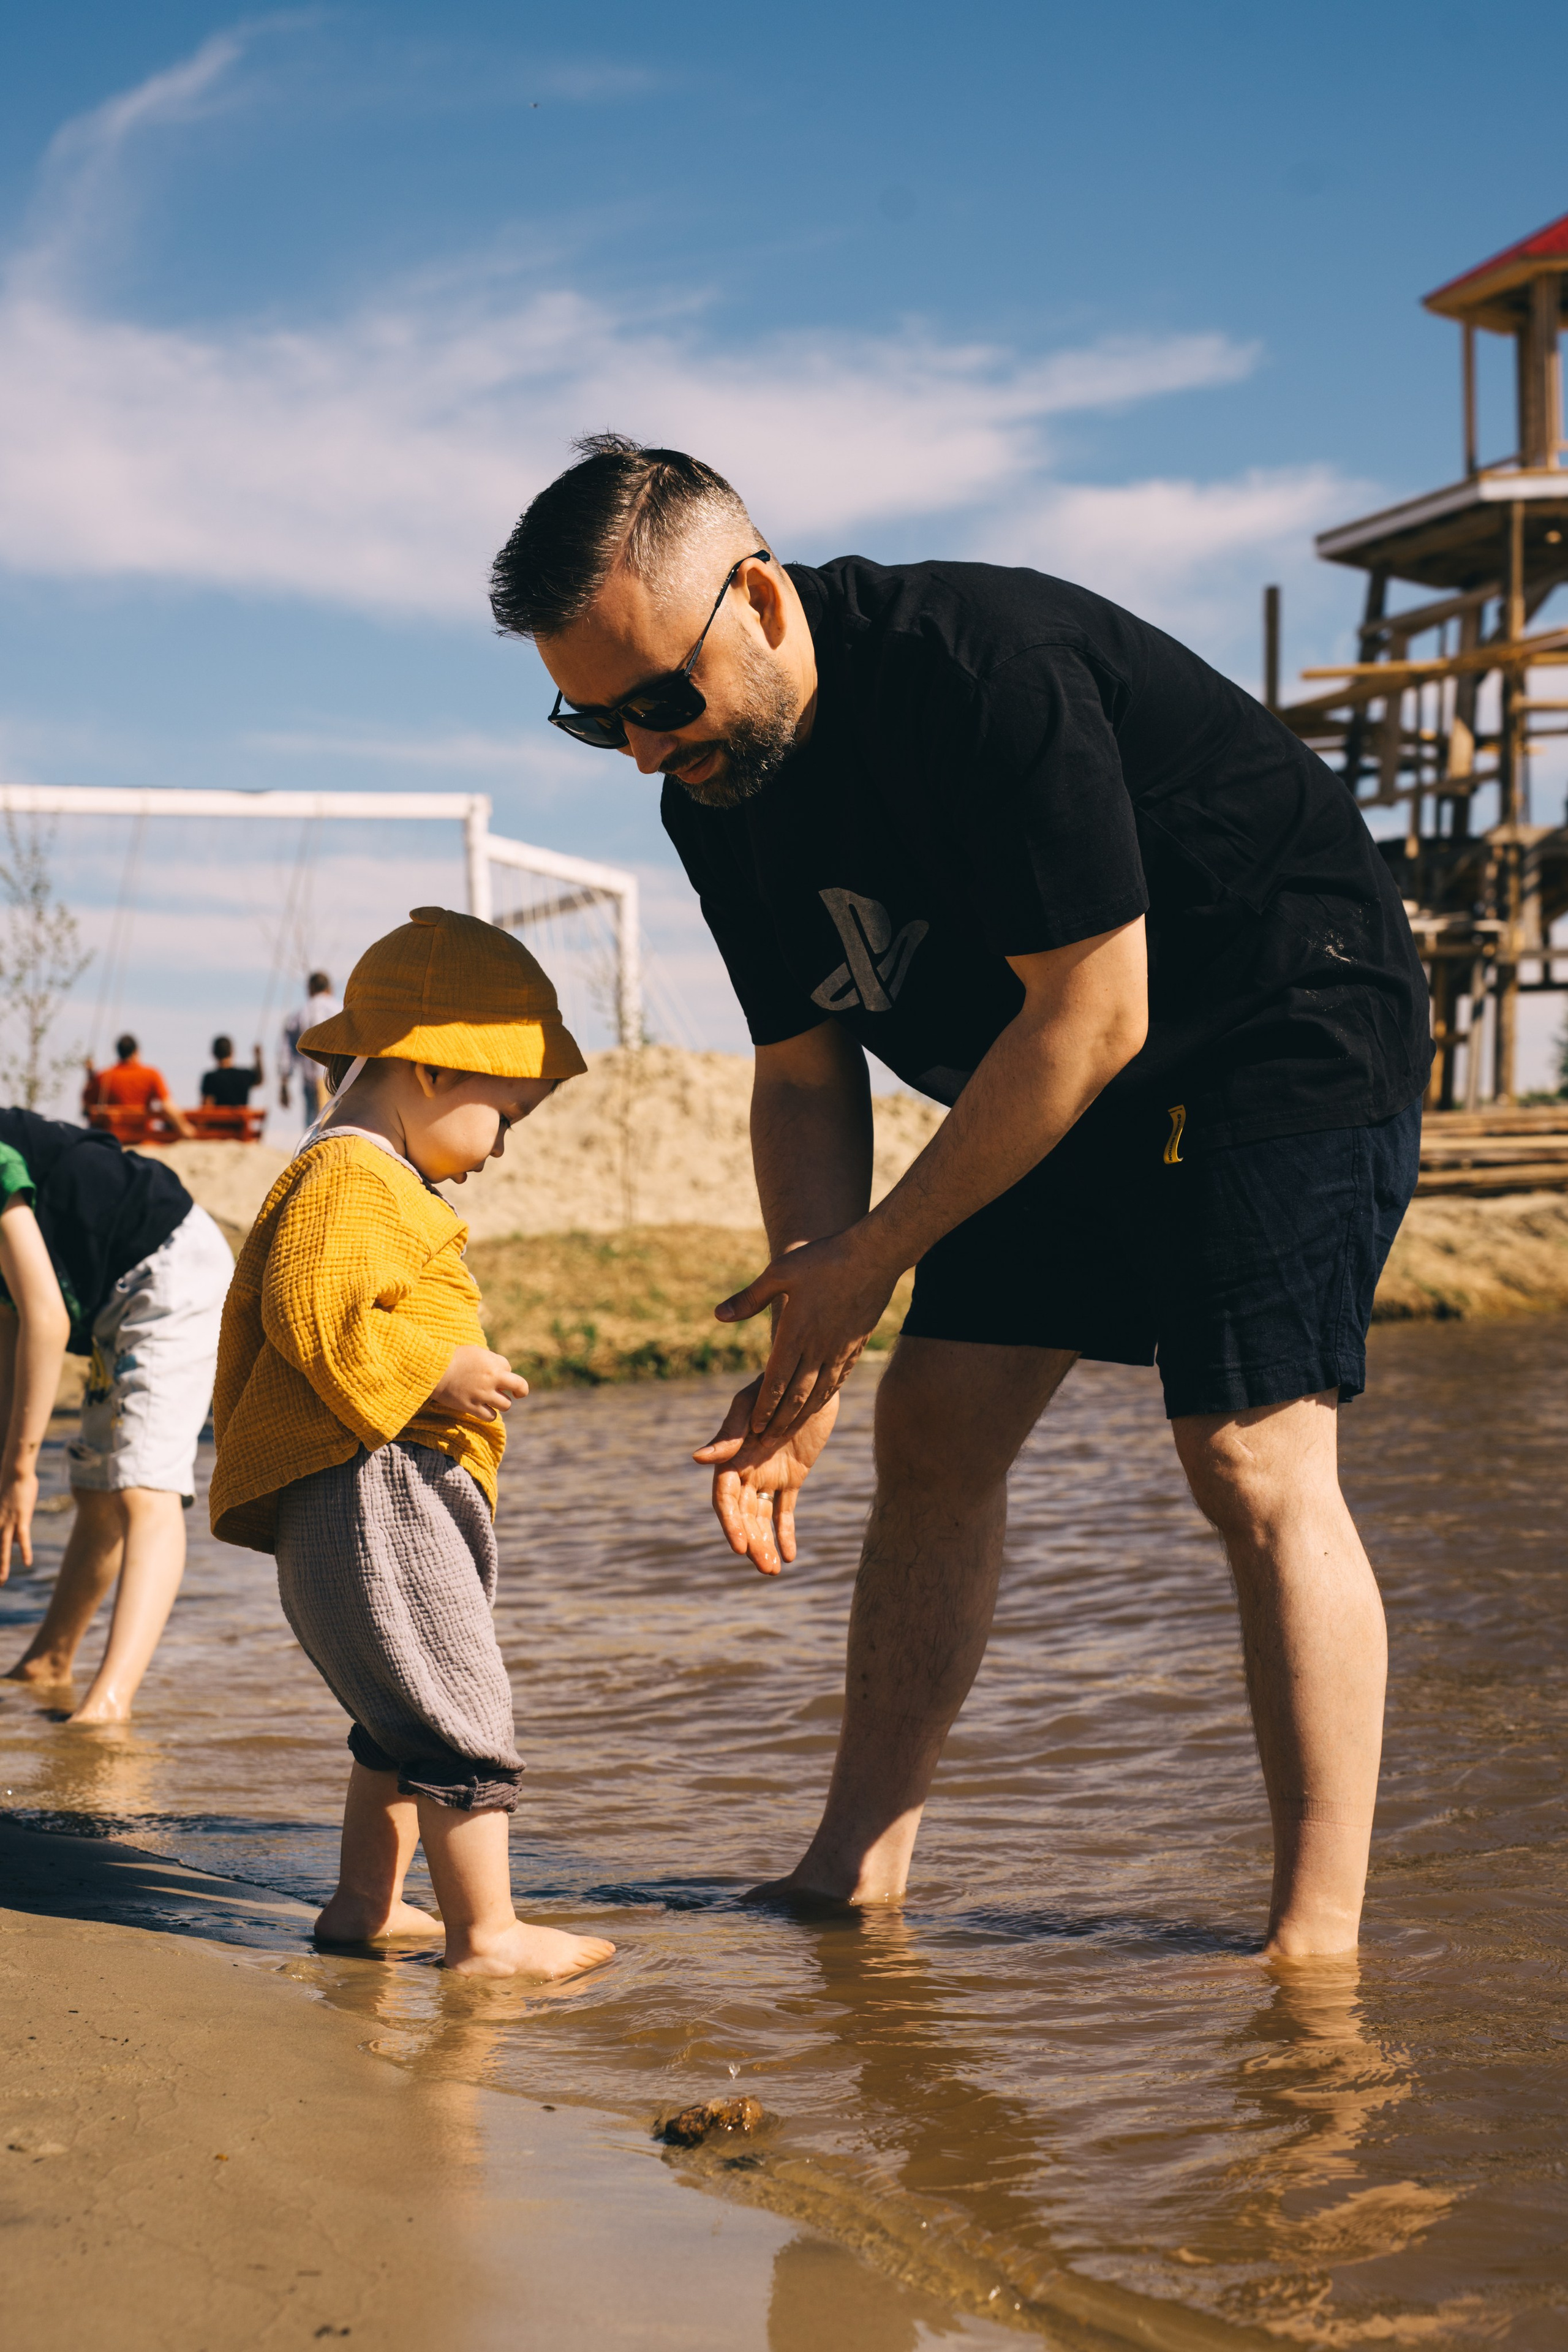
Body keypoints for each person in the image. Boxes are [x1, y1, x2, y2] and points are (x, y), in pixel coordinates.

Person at [489, 436, 1434, 1959]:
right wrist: (813, 1313)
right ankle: (849, 1869)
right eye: (593, 724)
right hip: (1050, 1054)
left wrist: (876, 1252)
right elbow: (804, 1075)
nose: (648, 753)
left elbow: (1095, 1012)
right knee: (929, 1425)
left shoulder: (976, 670)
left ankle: (1308, 1953)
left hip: (1275, 1010)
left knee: (1248, 1450)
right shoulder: (714, 801)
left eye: (661, 699)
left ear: (761, 601)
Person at [209, 907, 614, 1981]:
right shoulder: (355, 1176)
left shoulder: (375, 1175)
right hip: (374, 1484)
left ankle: (366, 1907)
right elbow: (316, 1309)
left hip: (371, 1489)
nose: (504, 1146)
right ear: (434, 1072)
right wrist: (437, 1371)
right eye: (508, 1115)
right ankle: (489, 1938)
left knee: (397, 1720)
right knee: (457, 1708)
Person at [0, 1109, 234, 1721]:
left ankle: (109, 1706)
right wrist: (6, 1457)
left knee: (143, 1488)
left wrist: (22, 1469)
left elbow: (45, 1317)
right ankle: (49, 1660)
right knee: (97, 1485)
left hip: (170, 1268)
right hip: (115, 1294)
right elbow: (11, 1319)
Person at [83, 1034, 195, 1140]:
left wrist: (90, 1075)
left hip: (112, 1137)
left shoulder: (104, 1077)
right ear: (136, 1052)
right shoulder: (151, 1074)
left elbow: (86, 1106)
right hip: (143, 1137)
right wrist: (184, 1128)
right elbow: (167, 1106)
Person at [280, 973, 341, 1125]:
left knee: (313, 1124)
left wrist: (284, 1082)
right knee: (341, 1122)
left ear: (310, 989)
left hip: (311, 1078)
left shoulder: (299, 1014)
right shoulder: (341, 1008)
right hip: (341, 1077)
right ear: (330, 988)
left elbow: (287, 1051)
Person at [200, 1036, 264, 1109]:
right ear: (232, 1052)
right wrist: (258, 1057)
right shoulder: (245, 1075)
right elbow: (259, 1080)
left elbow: (206, 1106)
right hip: (240, 1120)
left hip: (218, 1120)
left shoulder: (210, 1078)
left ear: (214, 1054)